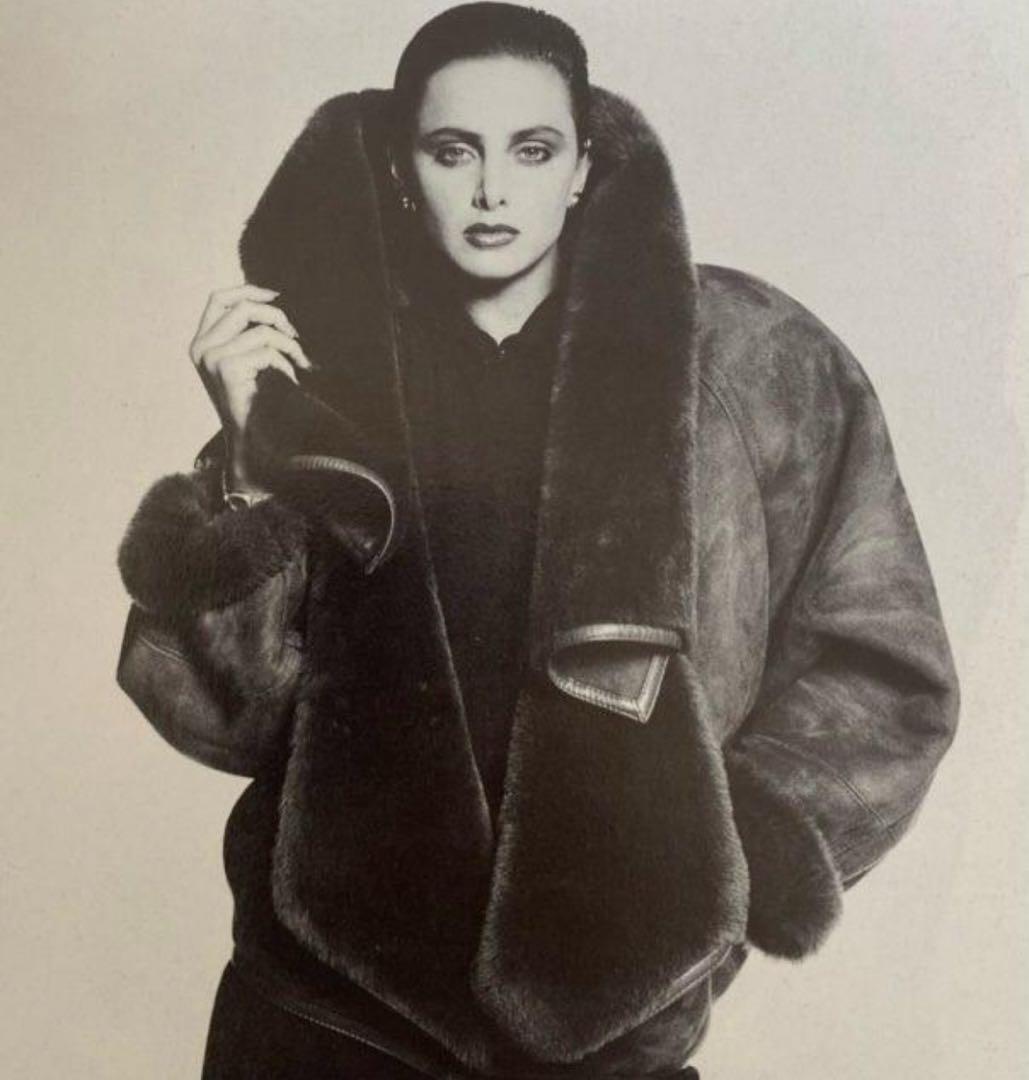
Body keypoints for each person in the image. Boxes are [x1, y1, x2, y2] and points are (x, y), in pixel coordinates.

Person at [114, 4, 959, 1077]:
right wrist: (247, 458)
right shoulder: (318, 378)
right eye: (452, 150)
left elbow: (887, 670)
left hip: (608, 1032)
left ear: (581, 167)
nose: (490, 191)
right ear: (401, 169)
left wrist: (715, 865)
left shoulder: (740, 364)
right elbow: (217, 720)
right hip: (324, 1015)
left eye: (531, 149)